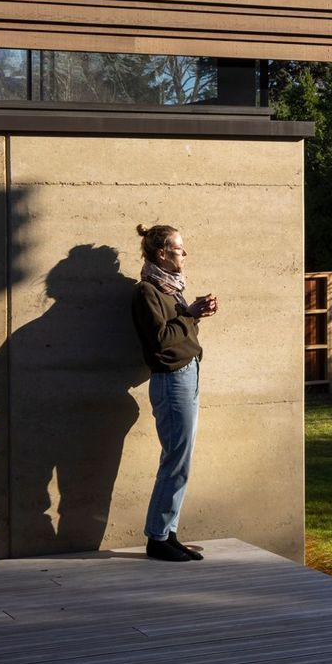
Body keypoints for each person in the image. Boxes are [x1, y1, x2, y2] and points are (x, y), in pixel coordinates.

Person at [130, 223, 218, 562]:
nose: (185, 254)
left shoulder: (170, 291)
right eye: (180, 249)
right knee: (175, 460)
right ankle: (157, 538)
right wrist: (189, 314)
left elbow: (176, 330)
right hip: (171, 379)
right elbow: (161, 340)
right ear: (162, 253)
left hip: (187, 375)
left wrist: (193, 313)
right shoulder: (146, 292)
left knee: (182, 459)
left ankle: (168, 533)